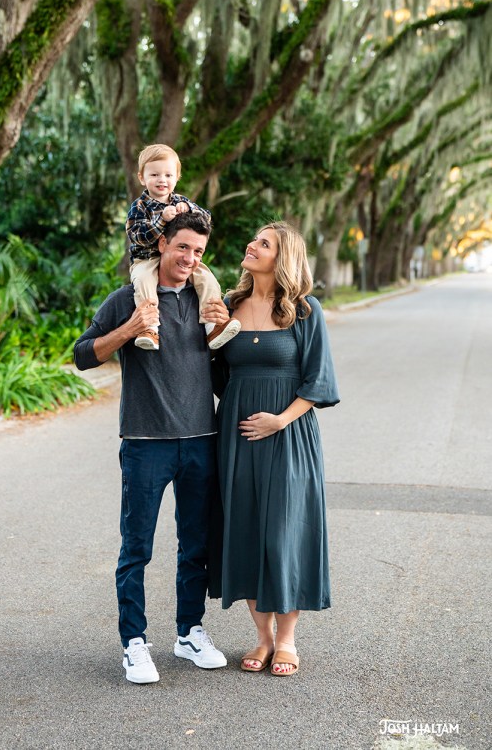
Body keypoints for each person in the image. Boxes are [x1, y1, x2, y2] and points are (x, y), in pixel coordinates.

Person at [74, 213, 230, 684]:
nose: (189, 258)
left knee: (195, 545)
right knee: (136, 547)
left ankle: (189, 632)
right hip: (145, 443)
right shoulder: (128, 298)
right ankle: (134, 643)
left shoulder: (207, 300)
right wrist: (129, 328)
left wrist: (225, 333)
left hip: (201, 440)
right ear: (162, 244)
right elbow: (82, 355)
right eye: (182, 247)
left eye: (198, 251)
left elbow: (222, 374)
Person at [214, 221, 339, 677]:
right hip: (237, 436)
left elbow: (319, 379)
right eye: (255, 239)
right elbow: (213, 373)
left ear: (281, 258)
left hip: (289, 434)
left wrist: (280, 420)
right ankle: (263, 638)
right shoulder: (228, 305)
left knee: (285, 530)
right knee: (246, 526)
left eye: (264, 243)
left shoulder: (304, 311)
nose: (252, 245)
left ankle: (287, 639)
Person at [126, 143, 240, 351]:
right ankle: (149, 328)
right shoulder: (139, 206)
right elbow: (137, 236)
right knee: (143, 282)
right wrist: (161, 220)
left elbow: (206, 220)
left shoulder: (181, 201)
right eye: (154, 175)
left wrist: (189, 207)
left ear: (177, 177)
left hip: (178, 258)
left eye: (168, 175)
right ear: (142, 178)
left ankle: (212, 326)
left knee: (207, 279)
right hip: (146, 259)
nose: (162, 180)